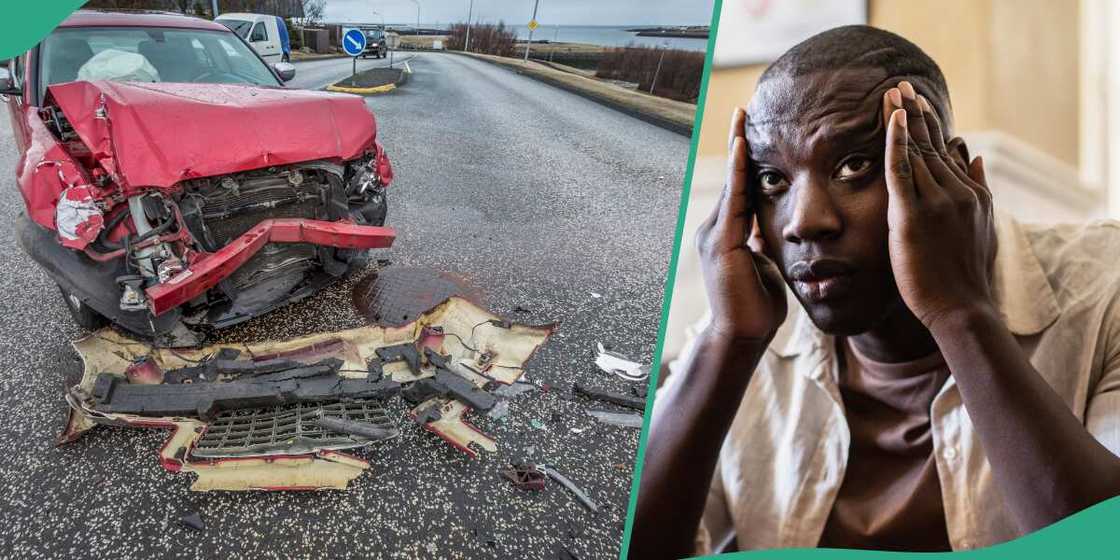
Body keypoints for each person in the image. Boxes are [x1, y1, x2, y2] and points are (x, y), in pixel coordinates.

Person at [631, 25, 1120, 558]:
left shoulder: (1105, 290)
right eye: (773, 180)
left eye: (854, 165)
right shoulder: (751, 324)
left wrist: (958, 311)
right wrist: (728, 340)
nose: (804, 222)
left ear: (955, 176)